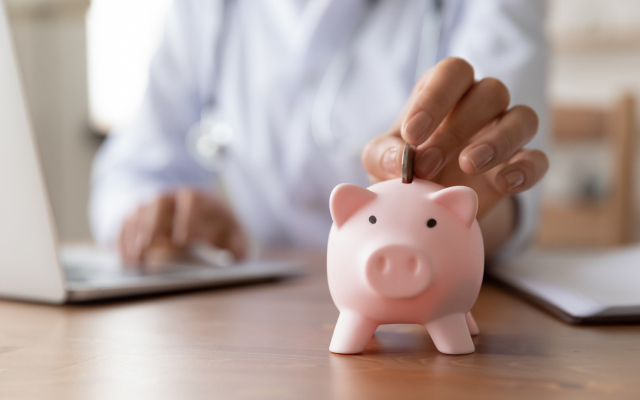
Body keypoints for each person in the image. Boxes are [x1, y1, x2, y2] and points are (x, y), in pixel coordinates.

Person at [90, 0, 549, 264]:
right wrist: (166, 219)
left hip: (417, 305)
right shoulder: (207, 10)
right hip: (251, 322)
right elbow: (132, 173)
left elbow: (489, 184)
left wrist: (455, 216)